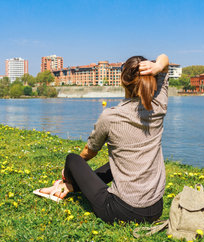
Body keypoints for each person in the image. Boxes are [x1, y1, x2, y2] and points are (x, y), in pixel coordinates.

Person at [34, 54, 170, 224]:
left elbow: (88, 152)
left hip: (121, 212)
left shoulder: (111, 116)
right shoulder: (159, 105)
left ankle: (66, 183)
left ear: (123, 81)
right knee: (114, 165)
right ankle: (69, 187)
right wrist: (157, 67)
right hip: (156, 208)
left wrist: (70, 173)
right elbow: (165, 60)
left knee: (73, 159)